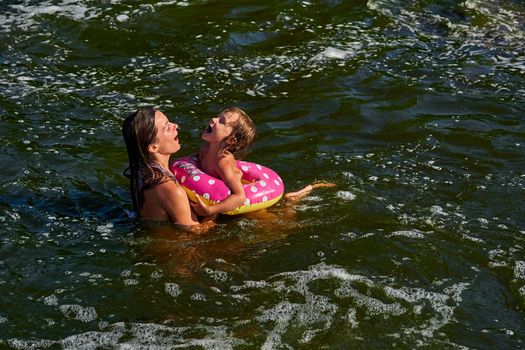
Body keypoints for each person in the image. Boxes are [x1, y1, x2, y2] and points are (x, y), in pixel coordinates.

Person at [191, 107, 335, 216]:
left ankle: (291, 201)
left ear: (230, 140)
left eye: (222, 121)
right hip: (217, 195)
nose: (213, 120)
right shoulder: (204, 149)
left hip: (248, 204)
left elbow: (240, 197)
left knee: (277, 226)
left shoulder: (222, 161)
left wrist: (210, 210)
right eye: (218, 117)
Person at [122, 108, 210, 228]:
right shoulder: (172, 190)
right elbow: (195, 234)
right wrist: (213, 211)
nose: (175, 125)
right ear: (153, 147)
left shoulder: (142, 172)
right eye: (167, 127)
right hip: (170, 245)